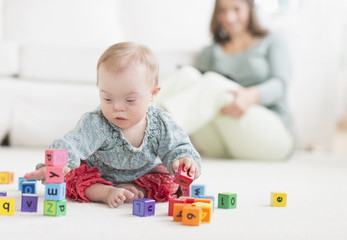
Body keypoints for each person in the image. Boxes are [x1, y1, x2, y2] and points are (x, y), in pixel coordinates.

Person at [24, 42, 201, 208]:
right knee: (71, 177)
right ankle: (103, 192)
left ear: (153, 94)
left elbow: (177, 146)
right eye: (107, 98)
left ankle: (136, 189)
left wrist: (183, 160)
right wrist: (58, 164)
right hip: (99, 175)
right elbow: (73, 143)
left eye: (130, 100)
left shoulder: (161, 123)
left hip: (143, 175)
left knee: (169, 182)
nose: (117, 107)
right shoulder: (96, 122)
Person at [155, 0, 293, 161]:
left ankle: (151, 136)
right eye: (222, 10)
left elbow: (280, 85)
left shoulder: (272, 41)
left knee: (214, 83)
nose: (229, 17)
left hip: (270, 134)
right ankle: (137, 120)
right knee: (188, 75)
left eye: (236, 9)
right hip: (222, 142)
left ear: (250, 9)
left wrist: (250, 95)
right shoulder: (211, 52)